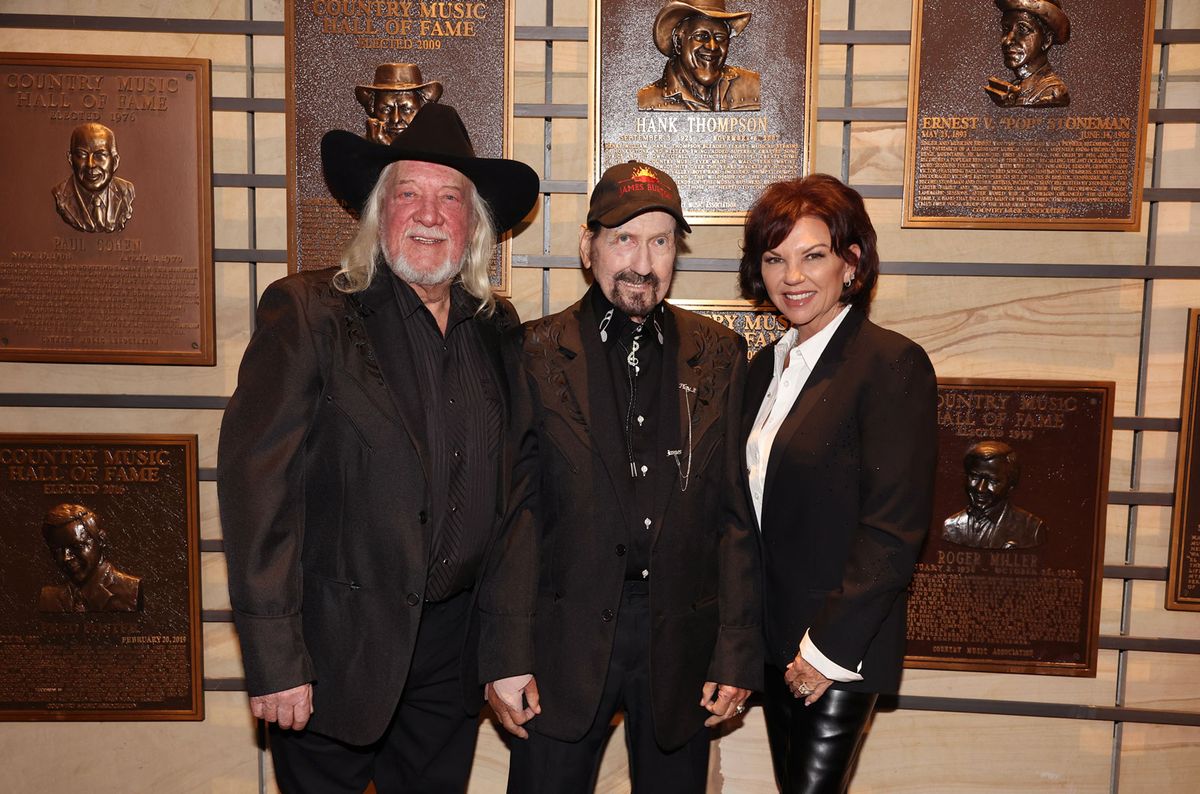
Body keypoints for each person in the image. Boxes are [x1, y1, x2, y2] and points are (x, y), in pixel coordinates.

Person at [217, 103, 539, 793]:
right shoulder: (309, 314)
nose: (430, 213)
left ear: (475, 224)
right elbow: (256, 492)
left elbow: (516, 504)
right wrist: (277, 660)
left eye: (450, 197)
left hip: (450, 664)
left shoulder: (498, 329)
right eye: (409, 193)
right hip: (333, 656)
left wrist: (505, 649)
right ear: (378, 213)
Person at [480, 161, 762, 793]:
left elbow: (732, 513)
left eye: (660, 240)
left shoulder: (719, 353)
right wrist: (504, 652)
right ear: (589, 247)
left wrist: (737, 647)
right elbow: (516, 512)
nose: (643, 260)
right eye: (623, 238)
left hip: (680, 642)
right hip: (561, 641)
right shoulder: (533, 351)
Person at [738, 174, 937, 793]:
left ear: (851, 263)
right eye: (775, 258)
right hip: (774, 645)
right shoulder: (763, 369)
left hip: (835, 650)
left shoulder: (889, 363)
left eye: (812, 255)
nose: (792, 276)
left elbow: (892, 529)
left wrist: (823, 653)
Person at [637, 0, 761, 112]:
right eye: (701, 36)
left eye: (720, 37)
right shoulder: (647, 101)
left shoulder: (753, 87)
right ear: (678, 42)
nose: (712, 46)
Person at [942, 440, 1047, 550]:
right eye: (974, 477)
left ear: (1010, 485)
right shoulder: (950, 526)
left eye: (993, 481)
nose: (980, 488)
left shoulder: (1031, 528)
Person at [38, 503, 141, 613]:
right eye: (57, 550)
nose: (66, 558)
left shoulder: (131, 591)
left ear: (101, 540)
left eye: (77, 546)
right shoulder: (48, 597)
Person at [984, 0, 1070, 108]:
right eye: (1006, 29)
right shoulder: (1018, 88)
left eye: (1022, 30)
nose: (1007, 41)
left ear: (1047, 40)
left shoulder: (1052, 92)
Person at [51, 122, 135, 233]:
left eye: (100, 155)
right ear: (71, 160)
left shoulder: (126, 191)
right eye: (82, 155)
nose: (90, 164)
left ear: (114, 162)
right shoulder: (61, 195)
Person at [356, 63, 444, 144]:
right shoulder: (355, 153)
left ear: (422, 108)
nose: (396, 119)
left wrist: (388, 149)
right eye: (386, 109)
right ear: (372, 108)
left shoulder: (438, 150)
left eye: (406, 109)